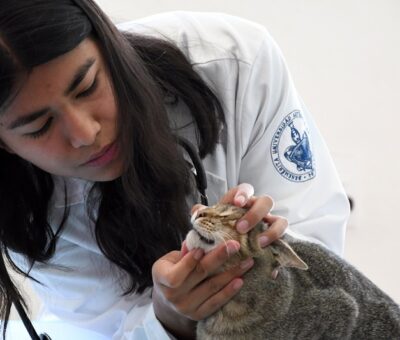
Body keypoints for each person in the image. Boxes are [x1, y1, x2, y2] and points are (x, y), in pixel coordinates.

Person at [0, 1, 350, 339]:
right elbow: (105, 327)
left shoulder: (232, 62)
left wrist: (260, 256)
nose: (86, 133)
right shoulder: (22, 215)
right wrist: (169, 319)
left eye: (88, 87)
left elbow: (319, 264)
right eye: (39, 126)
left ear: (109, 44)